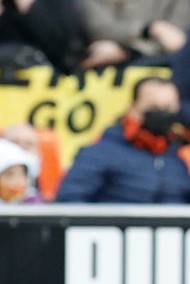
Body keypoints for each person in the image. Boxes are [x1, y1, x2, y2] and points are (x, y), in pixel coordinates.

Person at [56, 76, 190, 203]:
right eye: (153, 108)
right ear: (133, 108)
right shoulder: (102, 152)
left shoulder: (179, 158)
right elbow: (69, 202)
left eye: (168, 109)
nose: (163, 114)